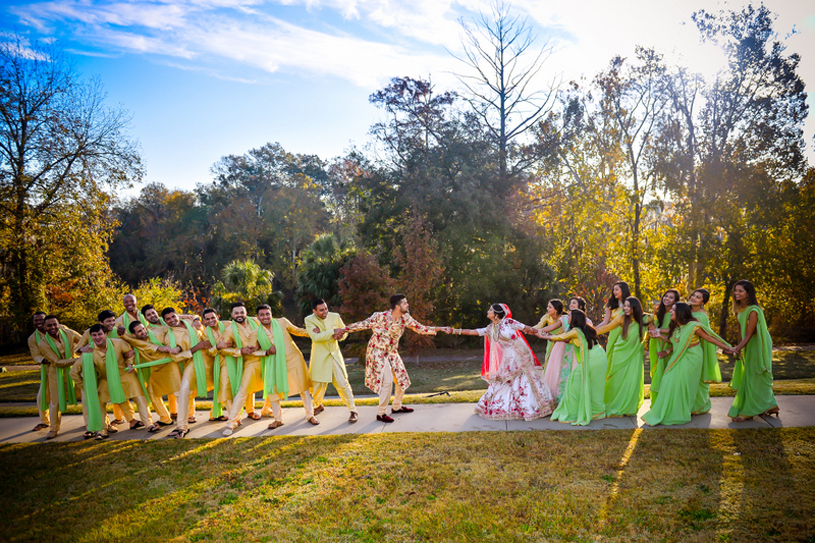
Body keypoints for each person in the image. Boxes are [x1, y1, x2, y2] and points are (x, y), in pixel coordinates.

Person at [343, 294, 440, 423]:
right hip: (377, 351)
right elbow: (362, 325)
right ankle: (381, 413)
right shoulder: (379, 317)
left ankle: (397, 406)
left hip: (391, 352)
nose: (407, 305)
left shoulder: (405, 318)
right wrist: (343, 329)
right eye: (405, 303)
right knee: (387, 381)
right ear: (397, 306)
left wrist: (439, 329)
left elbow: (420, 328)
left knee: (402, 379)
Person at [454, 303, 554, 421]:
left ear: (496, 314)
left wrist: (549, 335)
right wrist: (453, 331)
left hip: (520, 357)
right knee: (503, 381)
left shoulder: (509, 322)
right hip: (507, 359)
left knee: (524, 381)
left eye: (491, 310)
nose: (488, 311)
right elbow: (472, 332)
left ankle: (531, 408)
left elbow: (527, 329)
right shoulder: (491, 328)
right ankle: (507, 408)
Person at [642, 303, 732, 426]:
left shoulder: (693, 326)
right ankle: (669, 411)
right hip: (679, 357)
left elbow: (710, 338)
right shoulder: (677, 328)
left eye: (673, 310)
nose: (670, 312)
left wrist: (728, 348)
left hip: (692, 358)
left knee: (683, 384)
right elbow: (675, 342)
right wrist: (660, 336)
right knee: (668, 380)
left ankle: (679, 413)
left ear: (680, 312)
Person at [70, 323, 147, 439]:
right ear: (91, 336)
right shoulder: (88, 351)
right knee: (99, 402)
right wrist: (86, 387)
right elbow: (73, 372)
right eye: (94, 335)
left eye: (100, 334)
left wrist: (130, 363)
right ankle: (102, 430)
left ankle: (148, 424)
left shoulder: (118, 343)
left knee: (139, 396)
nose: (97, 337)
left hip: (124, 375)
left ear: (106, 334)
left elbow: (130, 352)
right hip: (104, 380)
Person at [256, 305, 320, 430]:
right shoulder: (256, 332)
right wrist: (267, 352)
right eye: (262, 315)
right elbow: (253, 351)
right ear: (258, 317)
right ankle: (278, 420)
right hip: (273, 363)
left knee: (303, 387)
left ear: (271, 314)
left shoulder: (282, 322)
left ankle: (310, 415)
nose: (265, 317)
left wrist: (313, 332)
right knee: (272, 391)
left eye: (267, 314)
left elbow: (298, 331)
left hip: (293, 359)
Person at [539, 309, 607, 426]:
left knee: (573, 383)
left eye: (569, 315)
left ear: (574, 318)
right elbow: (571, 341)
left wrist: (542, 336)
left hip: (592, 359)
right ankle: (596, 411)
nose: (567, 317)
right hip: (600, 355)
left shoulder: (576, 330)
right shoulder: (586, 328)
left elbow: (560, 337)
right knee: (594, 384)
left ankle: (574, 413)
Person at [727, 280, 779, 422]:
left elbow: (749, 334)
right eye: (735, 290)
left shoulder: (754, 310)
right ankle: (772, 406)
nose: (736, 293)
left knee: (756, 374)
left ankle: (749, 411)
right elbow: (740, 333)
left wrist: (738, 348)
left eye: (740, 291)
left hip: (758, 344)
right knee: (750, 374)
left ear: (748, 293)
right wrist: (738, 349)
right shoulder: (738, 311)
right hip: (748, 344)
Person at [304, 299, 358, 423]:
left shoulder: (335, 316)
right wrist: (332, 332)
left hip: (334, 356)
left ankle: (353, 411)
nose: (325, 312)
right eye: (321, 310)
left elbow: (344, 332)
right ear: (314, 311)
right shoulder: (309, 320)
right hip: (319, 358)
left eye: (326, 308)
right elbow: (316, 337)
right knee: (318, 386)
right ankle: (318, 405)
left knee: (343, 384)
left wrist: (340, 335)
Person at [123, 320, 180, 432]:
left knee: (178, 392)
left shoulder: (157, 334)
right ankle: (165, 418)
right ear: (134, 335)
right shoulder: (137, 344)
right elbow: (132, 355)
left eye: (144, 328)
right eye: (140, 331)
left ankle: (186, 418)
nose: (144, 331)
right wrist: (130, 364)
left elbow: (173, 334)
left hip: (170, 365)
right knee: (152, 393)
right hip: (157, 370)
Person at [594, 296, 647, 417]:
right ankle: (612, 404)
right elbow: (606, 328)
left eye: (629, 306)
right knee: (615, 379)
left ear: (636, 307)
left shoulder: (646, 318)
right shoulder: (622, 318)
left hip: (634, 354)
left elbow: (654, 327)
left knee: (632, 380)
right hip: (620, 352)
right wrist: (589, 332)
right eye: (625, 306)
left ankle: (628, 408)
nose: (626, 308)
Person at [220, 302, 265, 436]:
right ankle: (231, 423)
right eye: (236, 313)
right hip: (248, 362)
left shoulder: (256, 322)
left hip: (265, 358)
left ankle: (260, 411)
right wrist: (240, 351)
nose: (239, 315)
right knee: (243, 391)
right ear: (232, 315)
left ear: (246, 313)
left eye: (242, 312)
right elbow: (224, 350)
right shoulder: (229, 330)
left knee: (272, 386)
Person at [167, 314, 215, 439]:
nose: (172, 320)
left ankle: (234, 420)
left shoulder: (190, 321)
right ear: (165, 321)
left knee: (225, 386)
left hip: (212, 357)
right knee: (184, 390)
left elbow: (197, 316)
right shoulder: (169, 336)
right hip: (194, 362)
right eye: (168, 319)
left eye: (173, 316)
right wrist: (195, 348)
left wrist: (196, 320)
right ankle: (182, 426)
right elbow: (176, 357)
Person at [37, 315, 82, 439]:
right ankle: (53, 428)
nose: (53, 327)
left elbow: (83, 340)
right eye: (49, 325)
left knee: (88, 395)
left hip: (75, 370)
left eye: (54, 324)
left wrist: (81, 350)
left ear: (59, 324)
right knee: (55, 402)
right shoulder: (43, 343)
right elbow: (56, 361)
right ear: (45, 327)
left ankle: (94, 425)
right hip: (56, 373)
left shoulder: (68, 333)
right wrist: (76, 360)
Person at [688, 288, 722, 415]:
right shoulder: (688, 310)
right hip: (685, 349)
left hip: (697, 350)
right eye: (693, 295)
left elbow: (706, 336)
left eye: (698, 297)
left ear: (703, 302)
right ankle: (689, 405)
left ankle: (700, 406)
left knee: (698, 379)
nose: (693, 298)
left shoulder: (701, 316)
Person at [647, 289, 680, 405]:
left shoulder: (676, 312)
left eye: (671, 297)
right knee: (656, 372)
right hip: (655, 343)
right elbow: (654, 325)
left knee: (665, 373)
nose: (667, 299)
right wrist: (652, 328)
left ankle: (665, 403)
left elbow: (674, 330)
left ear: (675, 301)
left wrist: (658, 330)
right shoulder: (658, 310)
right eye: (666, 296)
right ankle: (656, 404)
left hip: (668, 344)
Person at [532, 299, 569, 401]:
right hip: (550, 343)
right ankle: (548, 393)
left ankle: (559, 391)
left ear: (556, 309)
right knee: (548, 365)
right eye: (548, 307)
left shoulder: (564, 318)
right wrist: (529, 329)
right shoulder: (547, 317)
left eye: (550, 307)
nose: (547, 309)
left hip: (561, 344)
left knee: (560, 366)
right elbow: (539, 326)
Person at [28, 311, 51, 432]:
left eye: (41, 319)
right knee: (42, 397)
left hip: (69, 366)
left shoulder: (59, 328)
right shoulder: (32, 338)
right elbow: (35, 355)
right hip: (49, 369)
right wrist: (43, 360)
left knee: (85, 394)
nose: (39, 322)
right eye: (36, 320)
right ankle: (44, 421)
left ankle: (90, 422)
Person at [597, 282, 631, 364]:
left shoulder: (631, 304)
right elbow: (605, 322)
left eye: (617, 289)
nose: (614, 292)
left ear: (623, 290)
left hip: (627, 334)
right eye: (613, 290)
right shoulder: (611, 305)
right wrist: (593, 329)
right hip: (613, 334)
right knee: (611, 357)